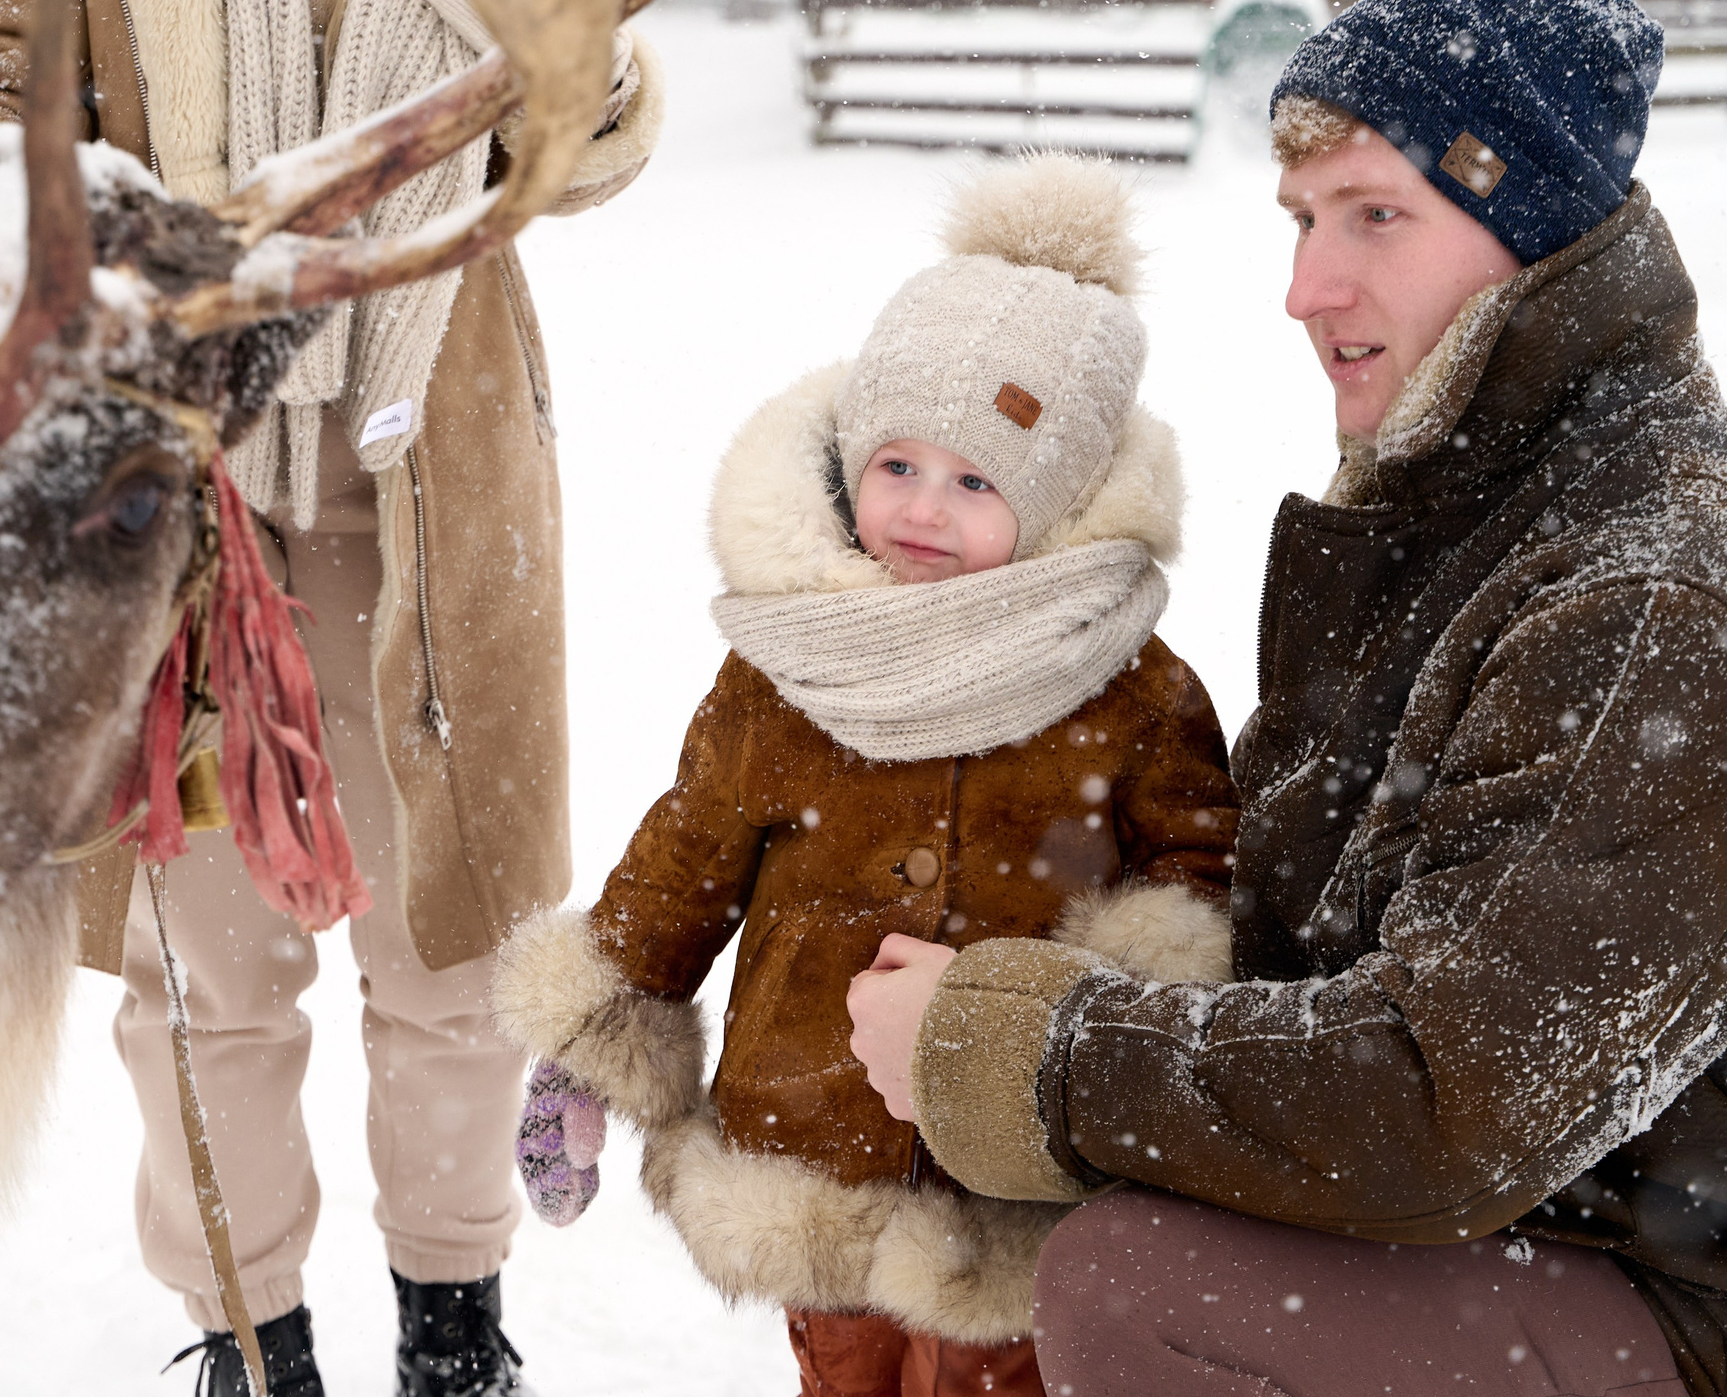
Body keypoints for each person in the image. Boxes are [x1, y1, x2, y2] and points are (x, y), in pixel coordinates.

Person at [846, 0, 1727, 1397]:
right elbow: (1310, 944)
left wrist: (1029, 1052)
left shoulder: (1666, 605)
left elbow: (1447, 1097)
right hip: (1563, 1228)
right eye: (1303, 219)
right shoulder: (1475, 515)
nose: (1308, 286)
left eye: (1376, 213)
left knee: (1143, 1286)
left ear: (1534, 224)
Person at [0, 0, 664, 1391]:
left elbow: (578, 137)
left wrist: (580, 72)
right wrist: (119, 257)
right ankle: (253, 1341)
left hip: (439, 432)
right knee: (207, 962)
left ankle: (456, 1331)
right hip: (170, 438)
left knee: (456, 934)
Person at [492, 156, 1243, 1397]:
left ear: (1056, 496)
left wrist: (1114, 1018)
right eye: (898, 465)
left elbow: (1197, 873)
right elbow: (690, 849)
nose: (924, 510)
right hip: (810, 1134)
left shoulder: (1129, 685)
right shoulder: (787, 662)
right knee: (841, 1374)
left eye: (976, 480)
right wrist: (592, 1032)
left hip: (1008, 1160)